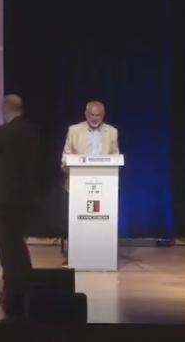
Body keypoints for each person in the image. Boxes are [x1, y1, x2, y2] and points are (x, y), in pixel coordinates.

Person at [0, 95, 41, 314]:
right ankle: (19, 291)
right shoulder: (32, 131)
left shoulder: (2, 132)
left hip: (2, 197)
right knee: (18, 245)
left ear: (6, 109)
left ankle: (14, 295)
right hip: (24, 196)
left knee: (7, 248)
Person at [59, 101, 120, 263]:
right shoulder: (74, 130)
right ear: (86, 114)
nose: (94, 118)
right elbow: (65, 157)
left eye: (98, 115)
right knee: (75, 221)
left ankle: (102, 255)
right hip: (77, 184)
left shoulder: (112, 132)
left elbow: (116, 157)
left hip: (103, 185)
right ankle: (74, 255)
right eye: (91, 115)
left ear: (103, 114)